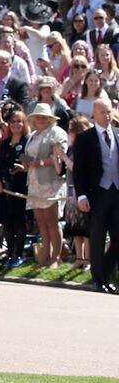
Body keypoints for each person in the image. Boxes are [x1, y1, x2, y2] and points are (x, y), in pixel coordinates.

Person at [73, 98, 119, 293]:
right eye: (102, 112)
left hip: (117, 192)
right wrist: (81, 195)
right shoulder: (85, 138)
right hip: (97, 193)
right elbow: (79, 170)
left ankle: (105, 272)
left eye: (109, 112)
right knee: (98, 237)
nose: (107, 116)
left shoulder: (117, 134)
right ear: (94, 114)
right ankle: (99, 280)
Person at [22, 103, 68, 268]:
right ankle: (45, 254)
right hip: (34, 182)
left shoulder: (56, 132)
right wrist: (25, 164)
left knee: (52, 220)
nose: (41, 120)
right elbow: (29, 157)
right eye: (38, 117)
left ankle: (56, 257)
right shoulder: (33, 135)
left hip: (51, 182)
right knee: (41, 220)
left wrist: (40, 162)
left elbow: (60, 156)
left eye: (44, 117)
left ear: (49, 119)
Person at [0, 109, 30, 268]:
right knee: (7, 223)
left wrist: (22, 167)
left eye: (19, 121)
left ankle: (19, 254)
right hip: (4, 188)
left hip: (20, 187)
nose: (16, 124)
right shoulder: (5, 143)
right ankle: (9, 255)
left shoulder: (27, 141)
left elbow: (28, 163)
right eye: (13, 121)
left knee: (19, 223)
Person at [57, 115, 92, 271]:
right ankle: (79, 257)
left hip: (83, 190)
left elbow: (76, 168)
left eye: (72, 130)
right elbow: (62, 171)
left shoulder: (84, 147)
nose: (69, 133)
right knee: (75, 226)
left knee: (85, 226)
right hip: (71, 189)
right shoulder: (72, 148)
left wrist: (63, 156)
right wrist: (57, 155)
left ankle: (88, 259)